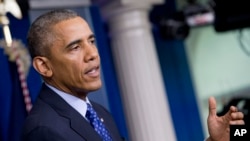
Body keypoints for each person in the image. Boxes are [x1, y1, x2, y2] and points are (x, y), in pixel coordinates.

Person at [21, 9, 244, 141]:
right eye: (74, 47)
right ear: (44, 66)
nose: (92, 55)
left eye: (91, 41)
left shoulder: (98, 113)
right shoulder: (44, 131)